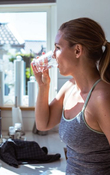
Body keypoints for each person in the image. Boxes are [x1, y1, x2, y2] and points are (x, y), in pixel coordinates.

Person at [31, 17, 110, 175]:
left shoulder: (101, 97)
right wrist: (43, 85)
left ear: (77, 51)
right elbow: (42, 124)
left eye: (58, 47)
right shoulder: (69, 88)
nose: (53, 55)